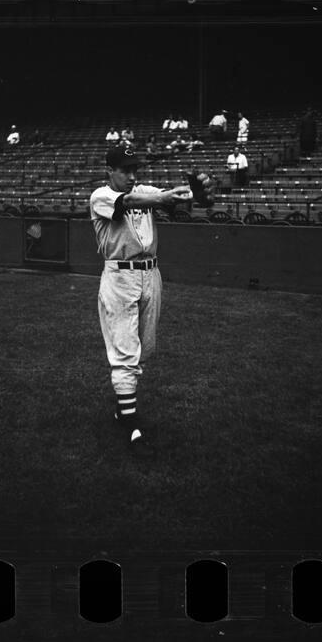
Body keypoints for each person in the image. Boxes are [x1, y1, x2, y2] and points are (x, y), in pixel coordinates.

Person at [89, 144, 191, 452]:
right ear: (111, 171)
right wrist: (164, 196)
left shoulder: (144, 189)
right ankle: (132, 428)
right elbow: (131, 201)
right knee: (124, 350)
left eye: (135, 169)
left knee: (144, 349)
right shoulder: (100, 196)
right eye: (125, 170)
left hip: (151, 274)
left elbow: (174, 205)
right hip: (120, 275)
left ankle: (123, 408)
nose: (132, 176)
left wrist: (191, 193)